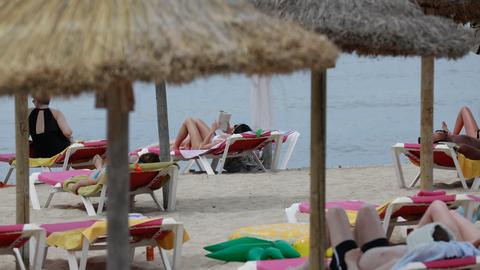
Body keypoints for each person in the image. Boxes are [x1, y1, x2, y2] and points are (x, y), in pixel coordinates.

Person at [327, 200, 480, 270]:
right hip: (382, 251)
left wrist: (352, 261)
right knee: (367, 210)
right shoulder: (465, 251)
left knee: (334, 212)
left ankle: (313, 262)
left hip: (352, 263)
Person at [171, 117, 251, 150]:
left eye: (235, 127)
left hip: (199, 146)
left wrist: (212, 130)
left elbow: (202, 147)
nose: (233, 127)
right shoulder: (233, 139)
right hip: (213, 138)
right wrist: (226, 128)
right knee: (197, 120)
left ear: (234, 132)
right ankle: (185, 144)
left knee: (188, 120)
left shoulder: (223, 142)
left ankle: (175, 146)